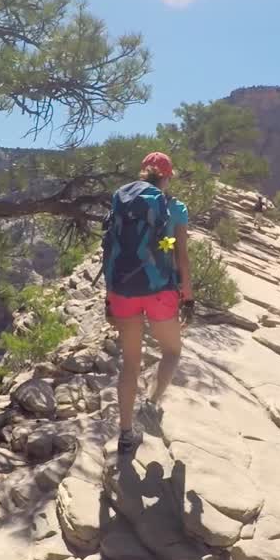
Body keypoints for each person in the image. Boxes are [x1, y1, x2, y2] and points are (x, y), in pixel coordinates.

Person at [101, 151, 193, 454]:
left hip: (122, 290)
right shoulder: (175, 208)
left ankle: (126, 435)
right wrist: (188, 297)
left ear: (143, 174)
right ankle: (150, 405)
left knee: (130, 364)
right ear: (167, 177)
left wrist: (109, 297)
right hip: (159, 290)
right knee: (171, 350)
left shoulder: (122, 201)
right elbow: (181, 257)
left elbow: (111, 247)